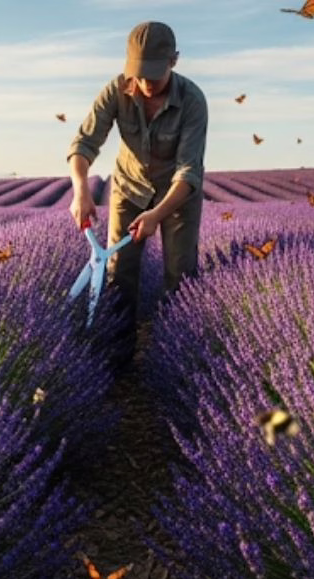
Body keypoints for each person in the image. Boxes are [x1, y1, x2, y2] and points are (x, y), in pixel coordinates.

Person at [66, 20, 208, 370]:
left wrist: (157, 214)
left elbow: (189, 173)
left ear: (174, 62)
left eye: (153, 75)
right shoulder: (116, 90)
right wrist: (81, 190)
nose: (144, 84)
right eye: (138, 74)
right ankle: (119, 359)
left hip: (176, 196)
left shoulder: (193, 101)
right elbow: (84, 143)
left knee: (180, 275)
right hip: (129, 189)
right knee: (119, 274)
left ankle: (176, 361)